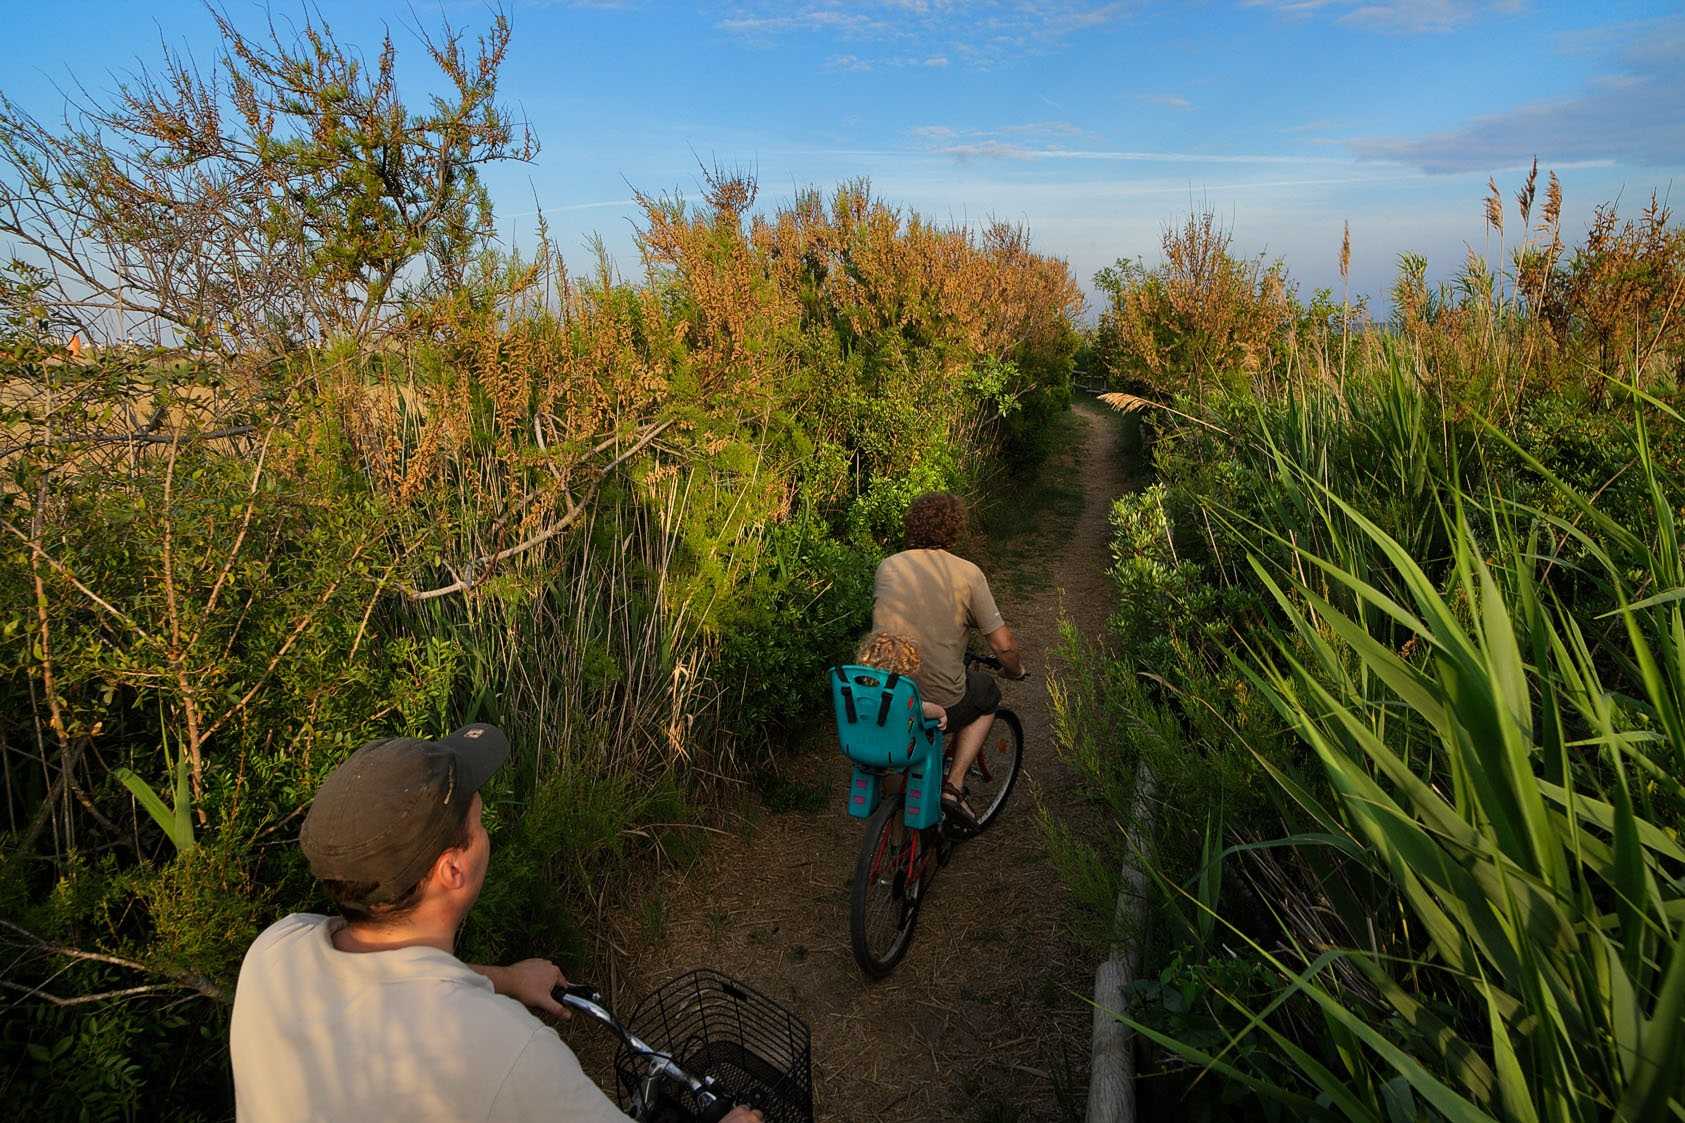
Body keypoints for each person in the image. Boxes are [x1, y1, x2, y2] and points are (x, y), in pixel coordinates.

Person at [229, 724, 762, 1123]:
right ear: (453, 869)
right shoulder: (504, 1052)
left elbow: (393, 980)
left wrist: (506, 979)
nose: (487, 835)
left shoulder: (276, 951)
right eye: (480, 825)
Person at [871, 493, 1025, 828]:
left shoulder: (888, 566)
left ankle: (896, 823)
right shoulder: (968, 574)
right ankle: (953, 787)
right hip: (940, 698)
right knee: (987, 695)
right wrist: (1015, 670)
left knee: (903, 746)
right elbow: (1002, 645)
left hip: (887, 695)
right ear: (954, 529)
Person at [855, 631, 949, 731]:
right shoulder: (902, 693)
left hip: (860, 740)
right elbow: (923, 709)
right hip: (897, 742)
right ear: (907, 669)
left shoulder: (857, 688)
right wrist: (941, 713)